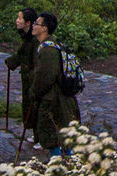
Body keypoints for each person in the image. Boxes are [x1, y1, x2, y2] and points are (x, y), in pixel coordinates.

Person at [22, 11, 80, 158]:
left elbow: (45, 77)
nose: (33, 26)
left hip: (53, 100)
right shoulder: (54, 44)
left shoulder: (48, 50)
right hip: (60, 98)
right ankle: (68, 162)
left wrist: (34, 92)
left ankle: (59, 165)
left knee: (52, 134)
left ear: (45, 28)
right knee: (62, 133)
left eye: (37, 23)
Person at [2, 7, 37, 134]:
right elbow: (22, 53)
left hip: (33, 78)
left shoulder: (34, 40)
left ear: (28, 23)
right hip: (27, 78)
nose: (17, 21)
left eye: (20, 18)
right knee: (28, 104)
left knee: (34, 106)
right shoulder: (26, 36)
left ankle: (38, 137)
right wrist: (13, 61)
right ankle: (33, 133)